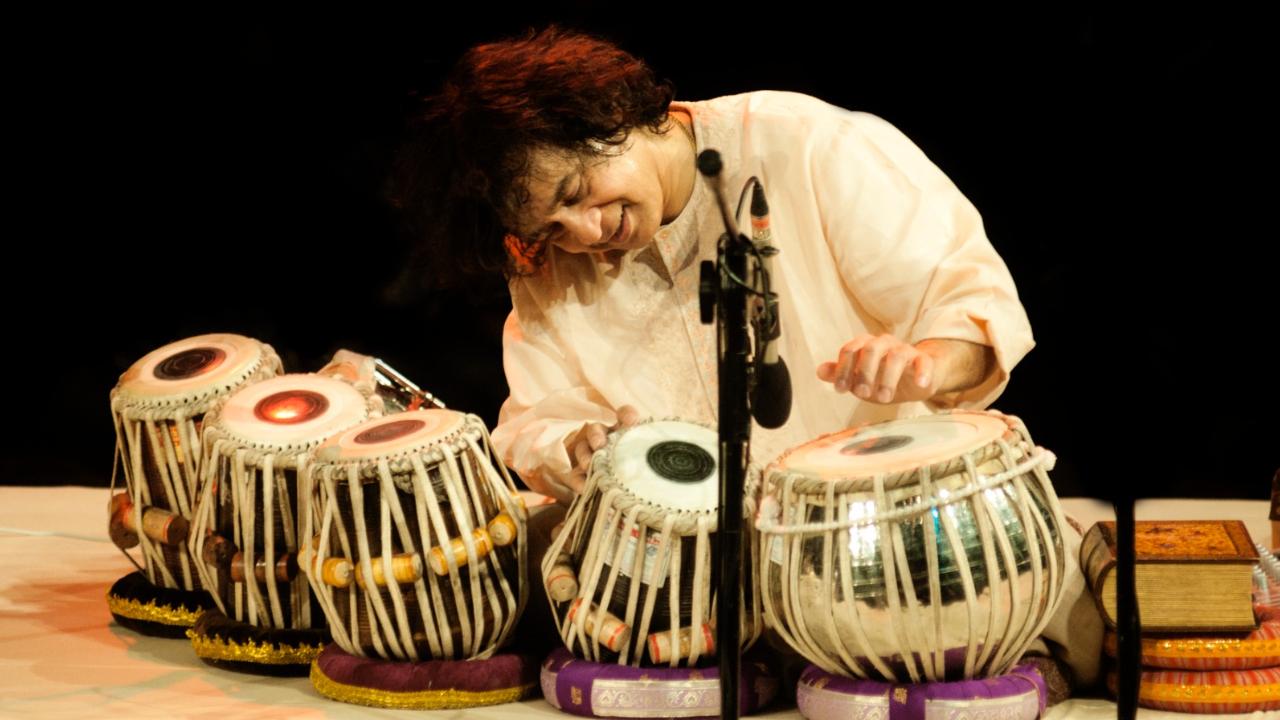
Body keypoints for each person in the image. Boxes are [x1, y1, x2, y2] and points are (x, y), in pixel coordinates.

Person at [393, 26, 1099, 693]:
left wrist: (925, 363)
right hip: (688, 575)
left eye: (576, 192)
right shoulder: (549, 267)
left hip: (880, 539)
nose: (583, 232)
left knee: (1055, 600)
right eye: (550, 226)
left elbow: (966, 296)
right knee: (489, 565)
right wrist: (570, 447)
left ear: (614, 114)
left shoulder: (800, 143)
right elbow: (535, 419)